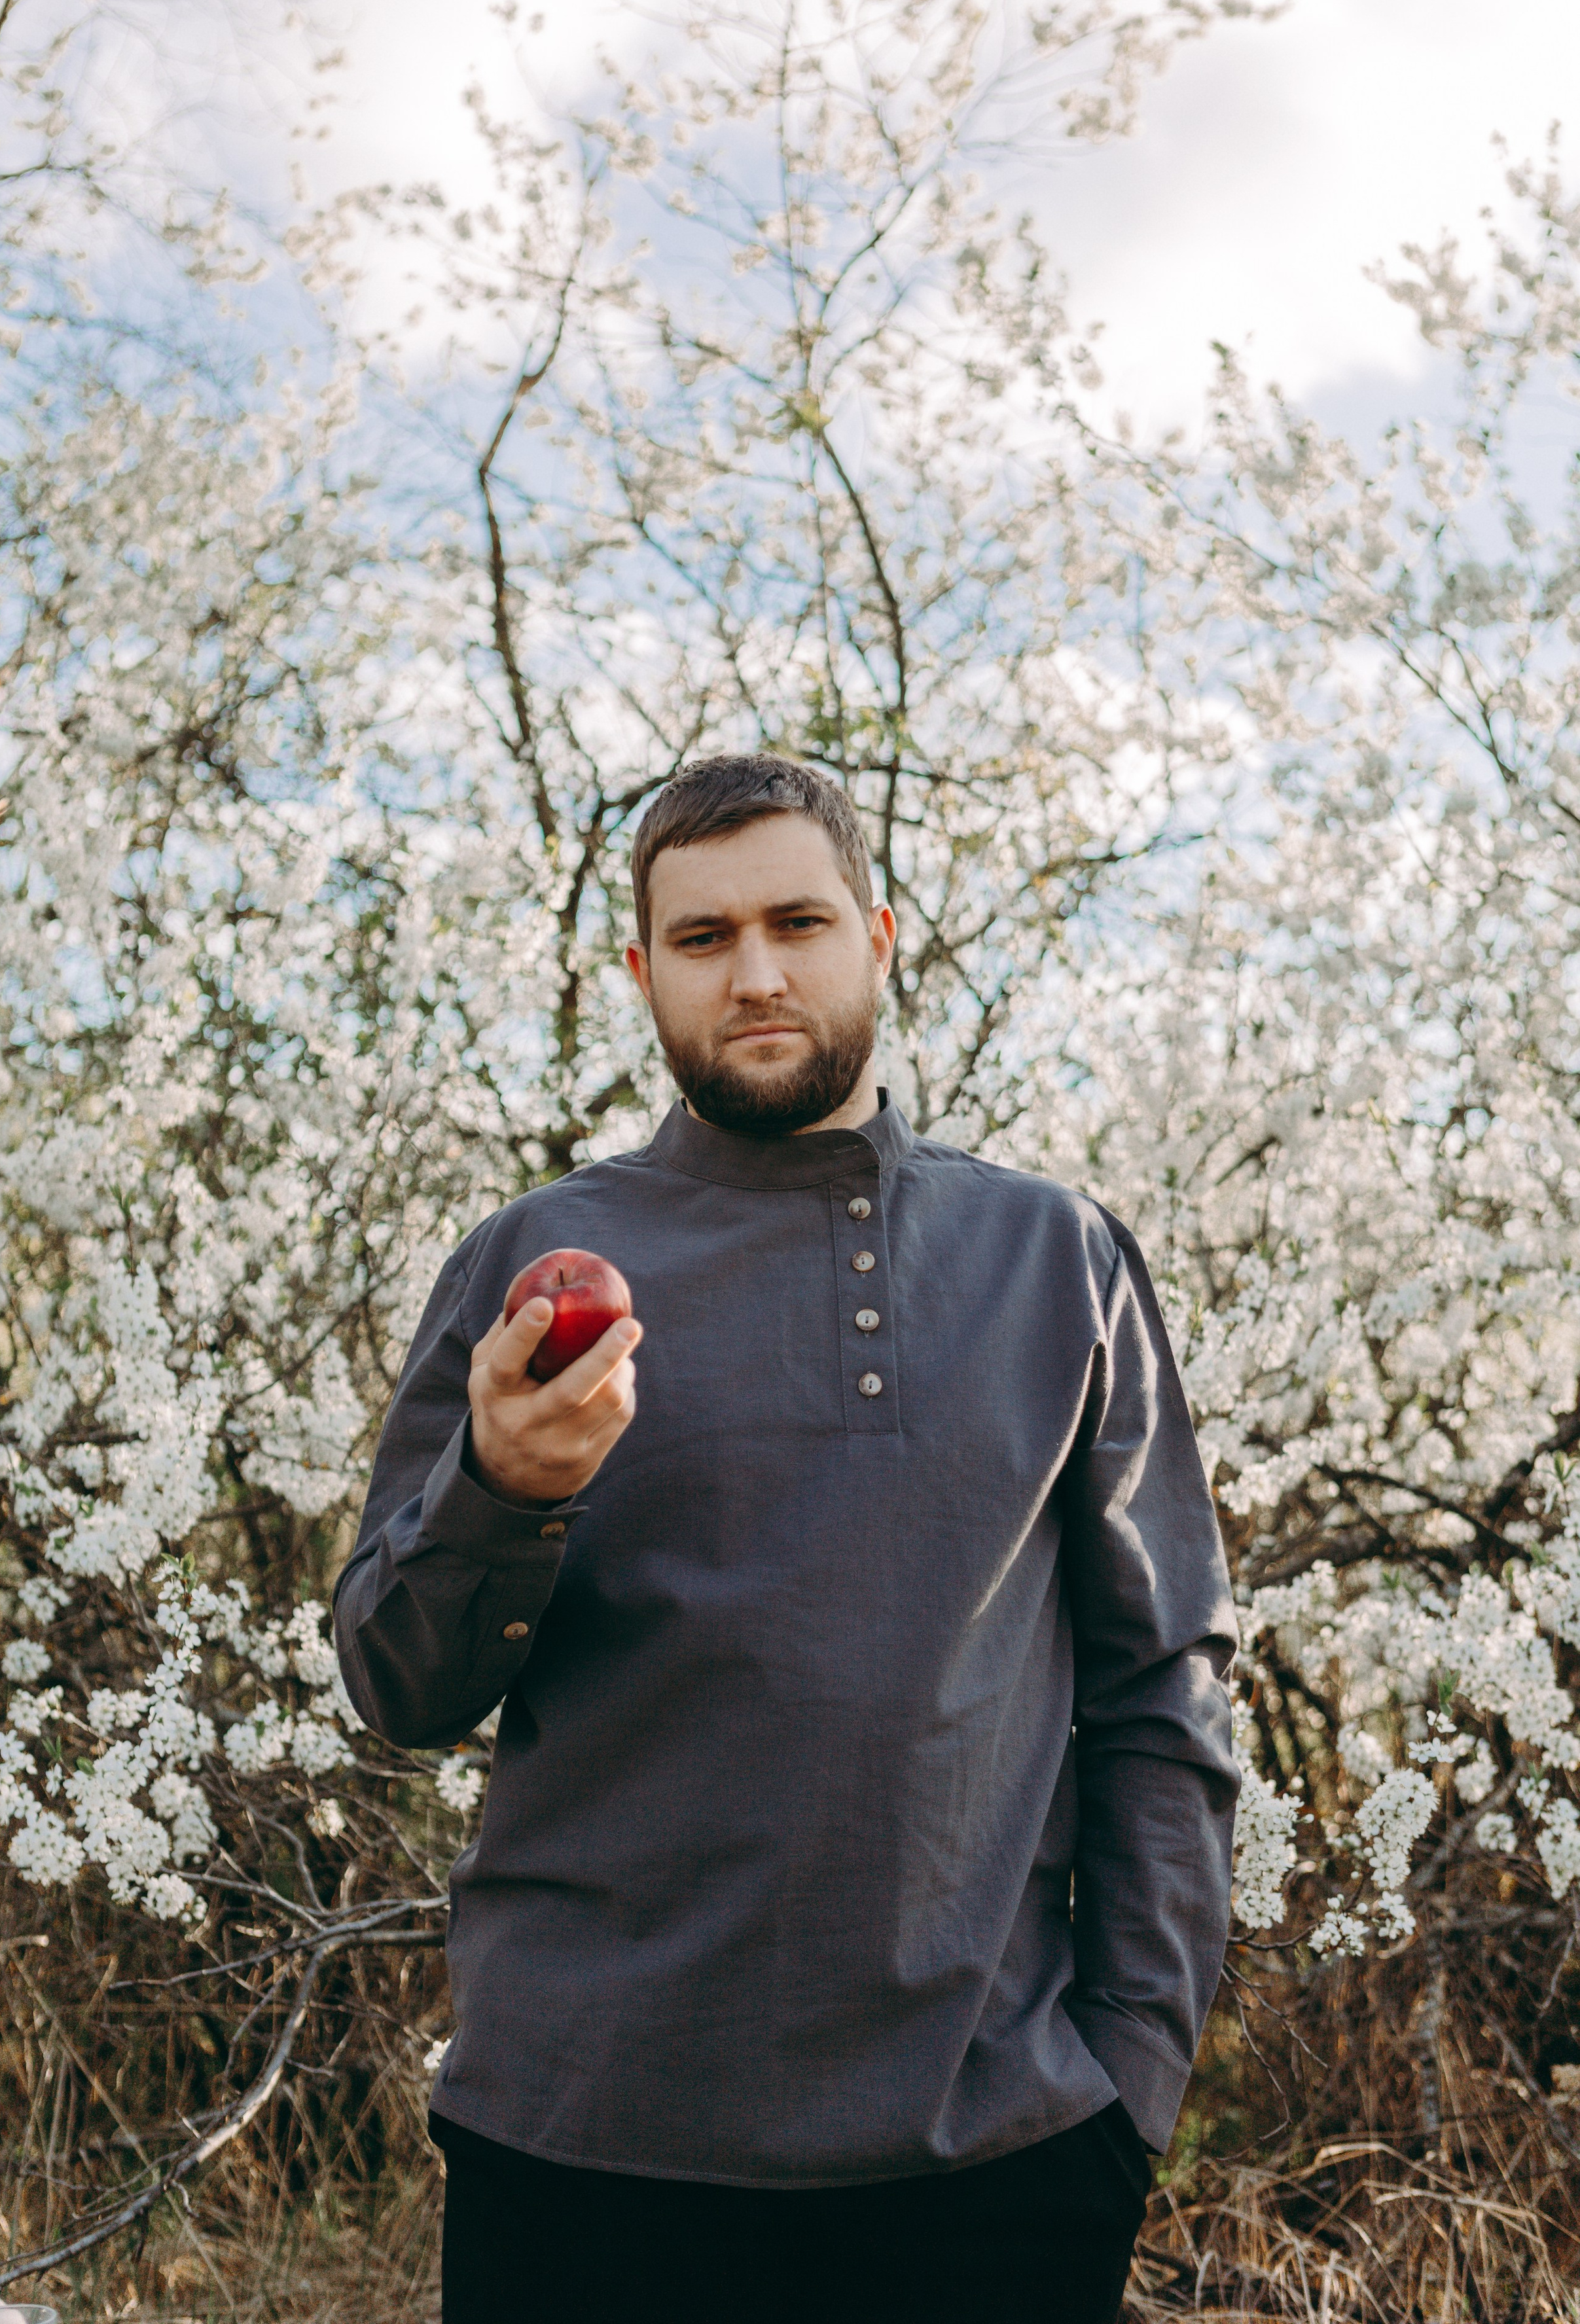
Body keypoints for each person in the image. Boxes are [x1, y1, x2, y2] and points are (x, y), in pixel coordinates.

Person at [334, 753, 1239, 2324]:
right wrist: (502, 1484)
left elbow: (1163, 1691)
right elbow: (399, 1688)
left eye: (797, 922)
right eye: (699, 939)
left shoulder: (1056, 1258)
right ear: (639, 974)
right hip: (579, 2159)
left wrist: (1128, 2087)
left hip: (995, 2169)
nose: (754, 974)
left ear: (878, 938)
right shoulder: (529, 1267)